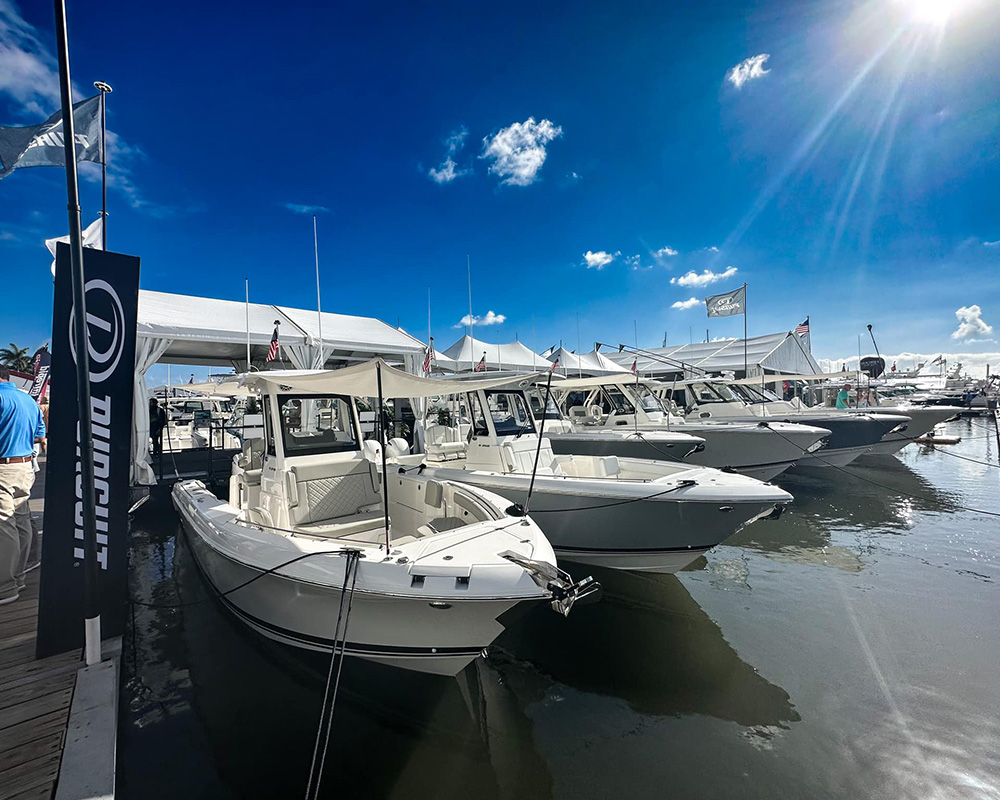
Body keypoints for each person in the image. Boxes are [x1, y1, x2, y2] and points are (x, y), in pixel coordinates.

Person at [0, 367, 46, 604]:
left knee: (3, 523)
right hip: (25, 466)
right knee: (20, 520)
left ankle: (5, 586)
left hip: (3, 466)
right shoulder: (27, 400)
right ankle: (17, 576)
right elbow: (40, 433)